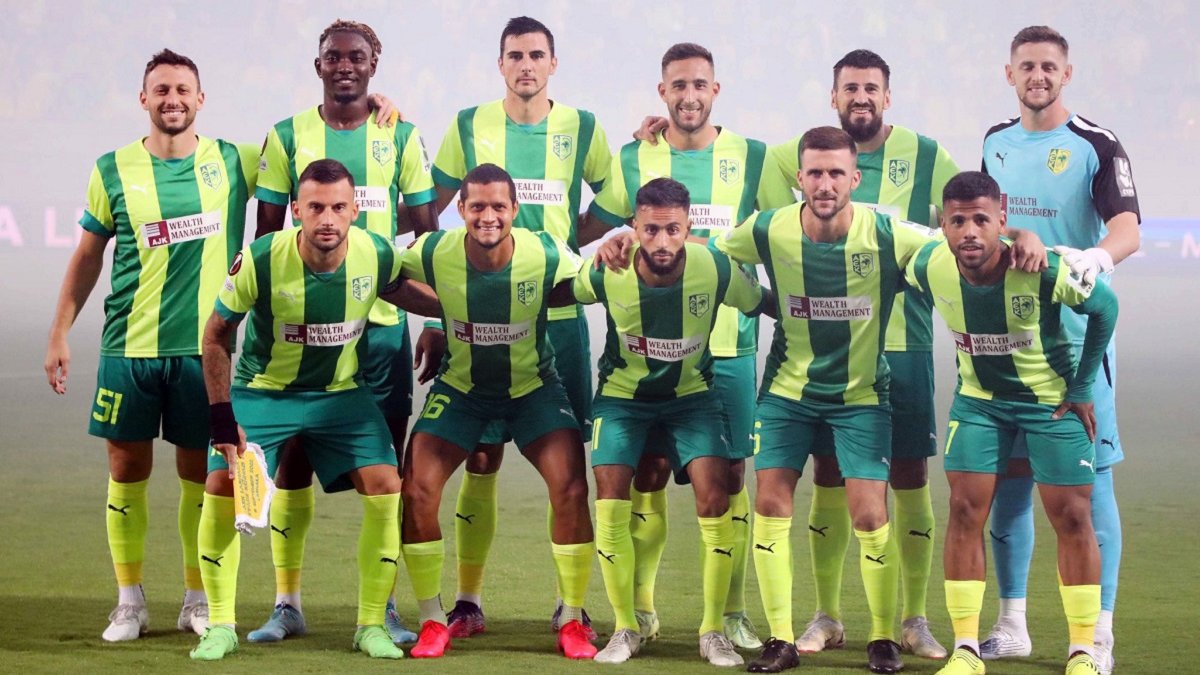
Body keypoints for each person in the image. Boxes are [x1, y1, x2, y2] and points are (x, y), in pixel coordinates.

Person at [43, 48, 258, 642]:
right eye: (161, 90)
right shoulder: (112, 169)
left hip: (203, 355)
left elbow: (311, 141)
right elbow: (88, 256)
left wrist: (376, 103)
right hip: (129, 347)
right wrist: (59, 331)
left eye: (183, 89)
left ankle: (196, 598)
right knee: (126, 469)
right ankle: (129, 601)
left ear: (201, 98)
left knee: (200, 475)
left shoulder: (235, 160)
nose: (173, 99)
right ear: (144, 99)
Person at [190, 158, 440, 661]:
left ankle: (371, 624)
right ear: (296, 210)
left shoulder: (376, 253)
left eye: (339, 208)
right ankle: (220, 625)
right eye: (316, 207)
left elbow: (415, 294)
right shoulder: (260, 259)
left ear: (355, 210)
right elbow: (215, 336)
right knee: (220, 485)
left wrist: (473, 304)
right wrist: (222, 419)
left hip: (341, 395)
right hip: (265, 393)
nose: (328, 219)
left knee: (386, 485)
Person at [715, 126, 942, 675]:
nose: (824, 183)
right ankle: (780, 640)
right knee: (771, 504)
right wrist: (754, 298)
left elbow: (955, 246)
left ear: (854, 179)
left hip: (861, 395)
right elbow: (712, 256)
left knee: (870, 513)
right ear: (799, 178)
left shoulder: (886, 233)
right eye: (814, 173)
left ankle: (883, 637)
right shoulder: (768, 228)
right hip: (787, 394)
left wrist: (1021, 241)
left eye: (835, 173)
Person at [756, 51, 959, 659]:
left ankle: (914, 619)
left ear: (887, 96)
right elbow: (760, 225)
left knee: (909, 477)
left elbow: (964, 218)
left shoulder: (927, 155)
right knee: (828, 475)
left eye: (871, 87)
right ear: (834, 96)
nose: (861, 97)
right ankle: (826, 615)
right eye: (850, 88)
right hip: (822, 354)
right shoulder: (790, 156)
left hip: (903, 342)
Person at [249, 18, 439, 646]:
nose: (345, 66)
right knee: (293, 462)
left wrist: (435, 320)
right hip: (306, 328)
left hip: (380, 328)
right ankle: (287, 603)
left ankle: (382, 607)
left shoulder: (400, 134)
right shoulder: (287, 135)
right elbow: (266, 232)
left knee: (382, 468)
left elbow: (426, 235)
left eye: (356, 57)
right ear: (319, 65)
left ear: (373, 64)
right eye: (334, 57)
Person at [428, 15, 611, 638]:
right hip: (479, 318)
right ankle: (468, 600)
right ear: (500, 63)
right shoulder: (467, 124)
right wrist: (445, 303)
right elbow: (430, 207)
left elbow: (613, 199)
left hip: (556, 316)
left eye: (536, 55)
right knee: (480, 456)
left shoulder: (582, 126)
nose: (526, 65)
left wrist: (567, 241)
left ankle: (569, 604)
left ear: (553, 63)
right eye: (515, 55)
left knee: (566, 462)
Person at [586, 42, 769, 650]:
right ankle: (639, 614)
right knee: (649, 473)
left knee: (731, 476)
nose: (689, 96)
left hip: (729, 346)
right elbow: (595, 227)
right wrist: (610, 241)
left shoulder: (755, 156)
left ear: (716, 89)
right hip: (649, 355)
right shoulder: (635, 154)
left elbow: (782, 229)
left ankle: (732, 614)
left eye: (699, 84)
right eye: (678, 85)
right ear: (662, 91)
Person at [904, 170, 1115, 675]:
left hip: (1049, 403)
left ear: (1001, 219)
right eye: (958, 222)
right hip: (979, 403)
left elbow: (1105, 309)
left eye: (981, 220)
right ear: (943, 225)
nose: (970, 232)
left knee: (1073, 517)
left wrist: (1083, 387)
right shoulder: (927, 262)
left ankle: (1083, 650)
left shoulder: (1040, 267)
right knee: (963, 511)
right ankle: (966, 649)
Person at [979, 26, 1140, 674]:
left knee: (1090, 490)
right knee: (1011, 485)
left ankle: (1097, 634)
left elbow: (1128, 227)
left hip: (1076, 345)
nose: (1038, 76)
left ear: (1066, 74)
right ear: (1009, 74)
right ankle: (1011, 623)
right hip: (1008, 344)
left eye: (1049, 66)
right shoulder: (994, 142)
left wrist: (1093, 259)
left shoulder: (1096, 144)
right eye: (1027, 66)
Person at [397, 163, 597, 660]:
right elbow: (384, 276)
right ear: (461, 210)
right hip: (462, 389)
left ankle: (571, 619)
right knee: (416, 488)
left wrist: (619, 253)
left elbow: (586, 281)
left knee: (572, 487)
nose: (488, 217)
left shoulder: (544, 251)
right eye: (478, 207)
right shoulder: (433, 251)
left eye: (499, 207)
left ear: (515, 209)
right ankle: (432, 620)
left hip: (532, 389)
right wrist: (441, 311)